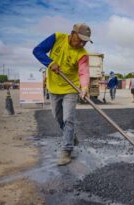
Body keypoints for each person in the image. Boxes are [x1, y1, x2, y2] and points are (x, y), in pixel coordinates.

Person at [32, 23, 92, 166]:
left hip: (71, 89)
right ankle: (70, 136)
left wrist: (84, 87)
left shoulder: (82, 53)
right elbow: (37, 50)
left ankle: (66, 150)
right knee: (58, 118)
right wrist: (50, 62)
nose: (82, 43)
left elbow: (84, 72)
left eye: (85, 41)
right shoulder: (57, 37)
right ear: (72, 33)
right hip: (53, 87)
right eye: (80, 39)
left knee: (68, 119)